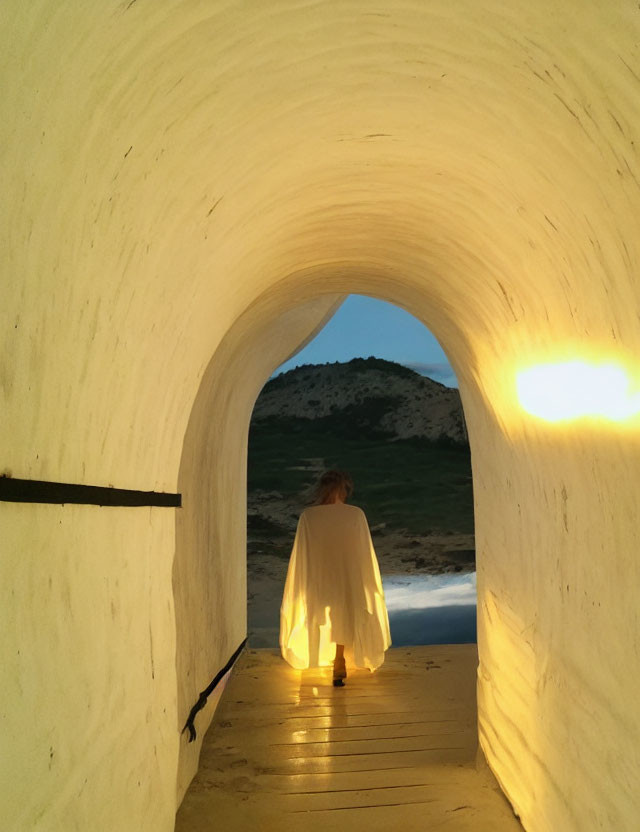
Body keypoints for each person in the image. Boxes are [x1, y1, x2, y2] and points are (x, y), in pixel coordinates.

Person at [279, 470, 391, 686]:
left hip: (319, 579)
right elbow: (363, 553)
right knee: (344, 610)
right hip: (347, 575)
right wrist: (365, 583)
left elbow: (303, 555)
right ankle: (338, 659)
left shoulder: (309, 516)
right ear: (344, 489)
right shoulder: (355, 514)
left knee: (325, 613)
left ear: (321, 489)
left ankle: (331, 658)